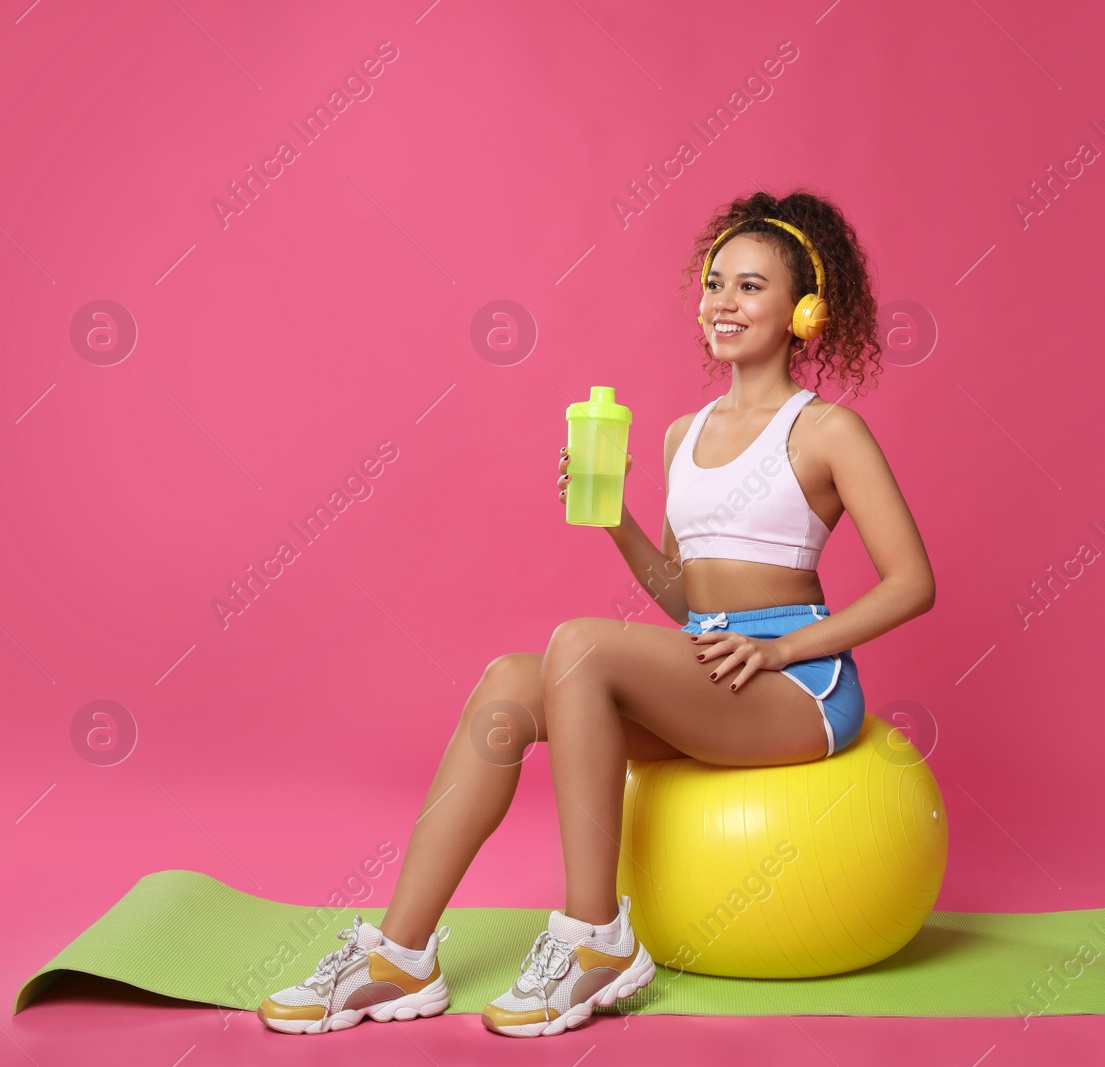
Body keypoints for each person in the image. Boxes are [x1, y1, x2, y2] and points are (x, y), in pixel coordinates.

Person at [256, 189, 935, 1038]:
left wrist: (784, 647)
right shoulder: (680, 435)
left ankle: (594, 939)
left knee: (578, 643)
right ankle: (399, 953)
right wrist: (616, 520)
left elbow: (912, 582)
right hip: (710, 663)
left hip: (798, 681)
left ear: (803, 310)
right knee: (510, 682)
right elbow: (691, 599)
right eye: (716, 282)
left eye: (751, 286)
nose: (725, 302)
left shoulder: (829, 430)